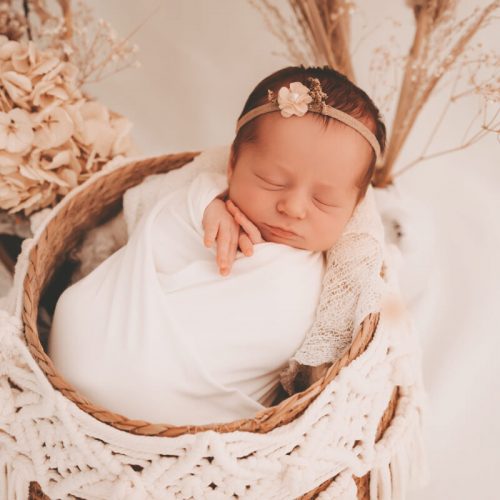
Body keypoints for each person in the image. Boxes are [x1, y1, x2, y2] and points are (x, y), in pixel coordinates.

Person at [48, 66, 386, 425]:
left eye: (324, 200)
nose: (294, 208)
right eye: (271, 181)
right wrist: (204, 205)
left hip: (185, 416)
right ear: (232, 165)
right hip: (88, 338)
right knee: (87, 300)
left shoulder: (337, 280)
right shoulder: (198, 199)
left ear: (354, 207)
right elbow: (156, 222)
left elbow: (321, 362)